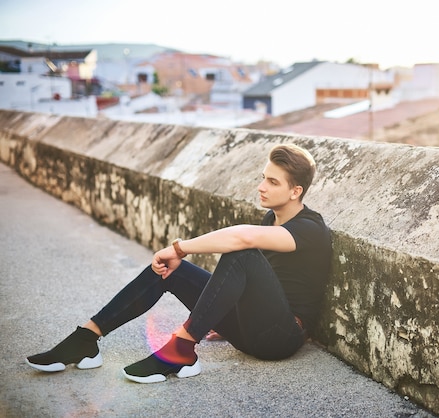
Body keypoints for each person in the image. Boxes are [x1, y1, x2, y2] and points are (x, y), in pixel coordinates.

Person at [26, 144, 332, 384]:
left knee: (241, 253)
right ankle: (86, 338)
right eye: (263, 177)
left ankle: (182, 350)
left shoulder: (310, 229)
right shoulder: (271, 219)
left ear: (296, 191)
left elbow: (240, 239)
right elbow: (262, 286)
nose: (261, 186)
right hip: (251, 329)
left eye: (272, 181)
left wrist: (180, 248)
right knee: (171, 270)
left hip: (280, 339)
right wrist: (226, 318)